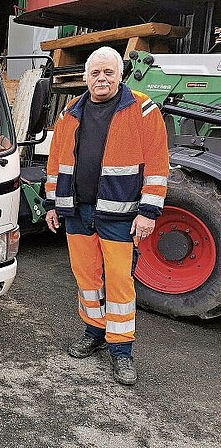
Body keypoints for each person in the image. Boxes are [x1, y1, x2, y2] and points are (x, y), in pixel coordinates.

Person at [44, 46, 169, 385]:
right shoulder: (70, 111)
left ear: (120, 74)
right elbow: (55, 162)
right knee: (86, 279)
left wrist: (148, 212)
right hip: (77, 212)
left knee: (119, 282)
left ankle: (122, 351)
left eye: (108, 73)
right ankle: (94, 332)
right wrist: (53, 203)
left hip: (121, 215)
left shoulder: (142, 109)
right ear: (85, 78)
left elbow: (158, 166)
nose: (101, 79)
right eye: (95, 73)